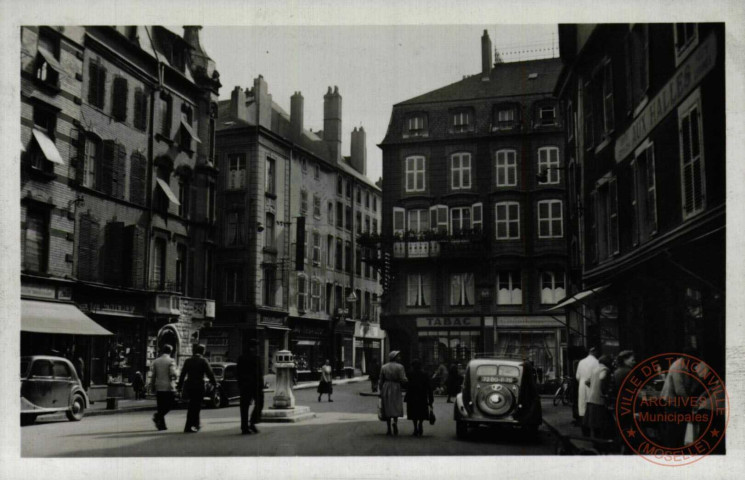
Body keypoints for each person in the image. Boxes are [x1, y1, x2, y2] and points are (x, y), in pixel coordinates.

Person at [660, 349, 699, 448]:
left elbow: (695, 381)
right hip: (672, 401)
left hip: (681, 401)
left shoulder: (690, 365)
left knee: (681, 427)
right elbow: (679, 390)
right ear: (685, 357)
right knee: (674, 429)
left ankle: (679, 447)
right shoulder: (677, 366)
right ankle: (672, 450)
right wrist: (690, 403)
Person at [177, 344, 217, 433]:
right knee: (197, 406)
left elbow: (183, 374)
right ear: (202, 351)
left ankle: (192, 425)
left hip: (190, 386)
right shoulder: (203, 361)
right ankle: (193, 425)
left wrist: (179, 386)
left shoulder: (188, 361)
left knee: (191, 405)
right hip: (199, 386)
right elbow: (210, 373)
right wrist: (214, 383)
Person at [236, 339, 264, 435]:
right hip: (255, 386)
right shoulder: (256, 358)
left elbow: (237, 373)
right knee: (260, 403)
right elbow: (259, 374)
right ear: (253, 347)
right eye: (257, 346)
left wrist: (240, 384)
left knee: (244, 407)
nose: (258, 348)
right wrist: (261, 385)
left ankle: (244, 427)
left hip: (244, 386)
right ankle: (252, 422)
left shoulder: (241, 358)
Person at [379, 350, 408, 436]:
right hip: (396, 387)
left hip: (386, 387)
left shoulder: (384, 367)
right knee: (396, 405)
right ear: (395, 357)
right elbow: (403, 378)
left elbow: (381, 380)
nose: (400, 357)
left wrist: (380, 390)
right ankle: (395, 422)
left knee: (387, 406)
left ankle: (388, 428)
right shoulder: (400, 367)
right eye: (398, 356)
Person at [584, 355, 613, 439]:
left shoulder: (594, 369)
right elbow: (602, 377)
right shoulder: (605, 369)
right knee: (600, 423)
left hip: (591, 398)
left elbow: (586, 381)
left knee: (593, 424)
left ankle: (595, 441)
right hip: (599, 399)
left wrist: (593, 387)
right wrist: (603, 391)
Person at [149, 344, 177, 431]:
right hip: (168, 386)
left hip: (159, 386)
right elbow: (173, 374)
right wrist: (176, 375)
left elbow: (153, 375)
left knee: (160, 406)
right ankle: (157, 416)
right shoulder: (171, 361)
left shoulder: (156, 361)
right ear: (170, 351)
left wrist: (152, 385)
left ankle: (162, 425)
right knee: (170, 404)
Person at [405, 359, 433, 437]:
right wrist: (431, 399)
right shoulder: (425, 374)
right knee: (421, 411)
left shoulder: (409, 374)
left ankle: (415, 428)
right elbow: (429, 387)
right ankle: (420, 423)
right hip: (422, 396)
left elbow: (406, 385)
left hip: (412, 396)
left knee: (413, 412)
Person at [576, 346, 600, 436]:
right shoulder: (597, 362)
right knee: (592, 409)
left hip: (582, 386)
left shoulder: (581, 362)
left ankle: (585, 433)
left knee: (583, 409)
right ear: (594, 352)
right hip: (592, 386)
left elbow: (577, 376)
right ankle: (594, 432)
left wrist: (582, 380)